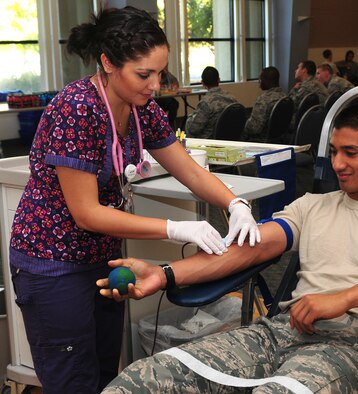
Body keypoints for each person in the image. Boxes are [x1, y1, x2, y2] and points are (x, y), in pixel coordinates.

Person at [99, 102, 358, 393]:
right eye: (334, 151)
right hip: (280, 331)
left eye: (351, 153)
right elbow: (251, 248)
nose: (338, 164)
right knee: (145, 377)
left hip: (352, 347)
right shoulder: (312, 206)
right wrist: (163, 275)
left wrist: (343, 298)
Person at [8, 6, 260, 394]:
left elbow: (190, 171)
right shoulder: (77, 109)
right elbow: (87, 213)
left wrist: (235, 204)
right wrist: (174, 228)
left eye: (160, 72)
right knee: (73, 380)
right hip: (52, 262)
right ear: (108, 62)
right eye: (144, 74)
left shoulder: (141, 109)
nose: (155, 85)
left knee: (108, 372)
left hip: (102, 257)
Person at [185, 66, 238, 139]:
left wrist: (190, 118)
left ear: (202, 83)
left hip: (209, 141)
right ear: (219, 80)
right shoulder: (232, 99)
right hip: (230, 139)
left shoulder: (206, 102)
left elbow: (193, 129)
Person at [242, 66, 286, 143]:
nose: (259, 82)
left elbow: (254, 128)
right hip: (281, 139)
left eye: (260, 79)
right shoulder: (285, 97)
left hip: (261, 140)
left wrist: (243, 124)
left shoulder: (263, 100)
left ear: (267, 81)